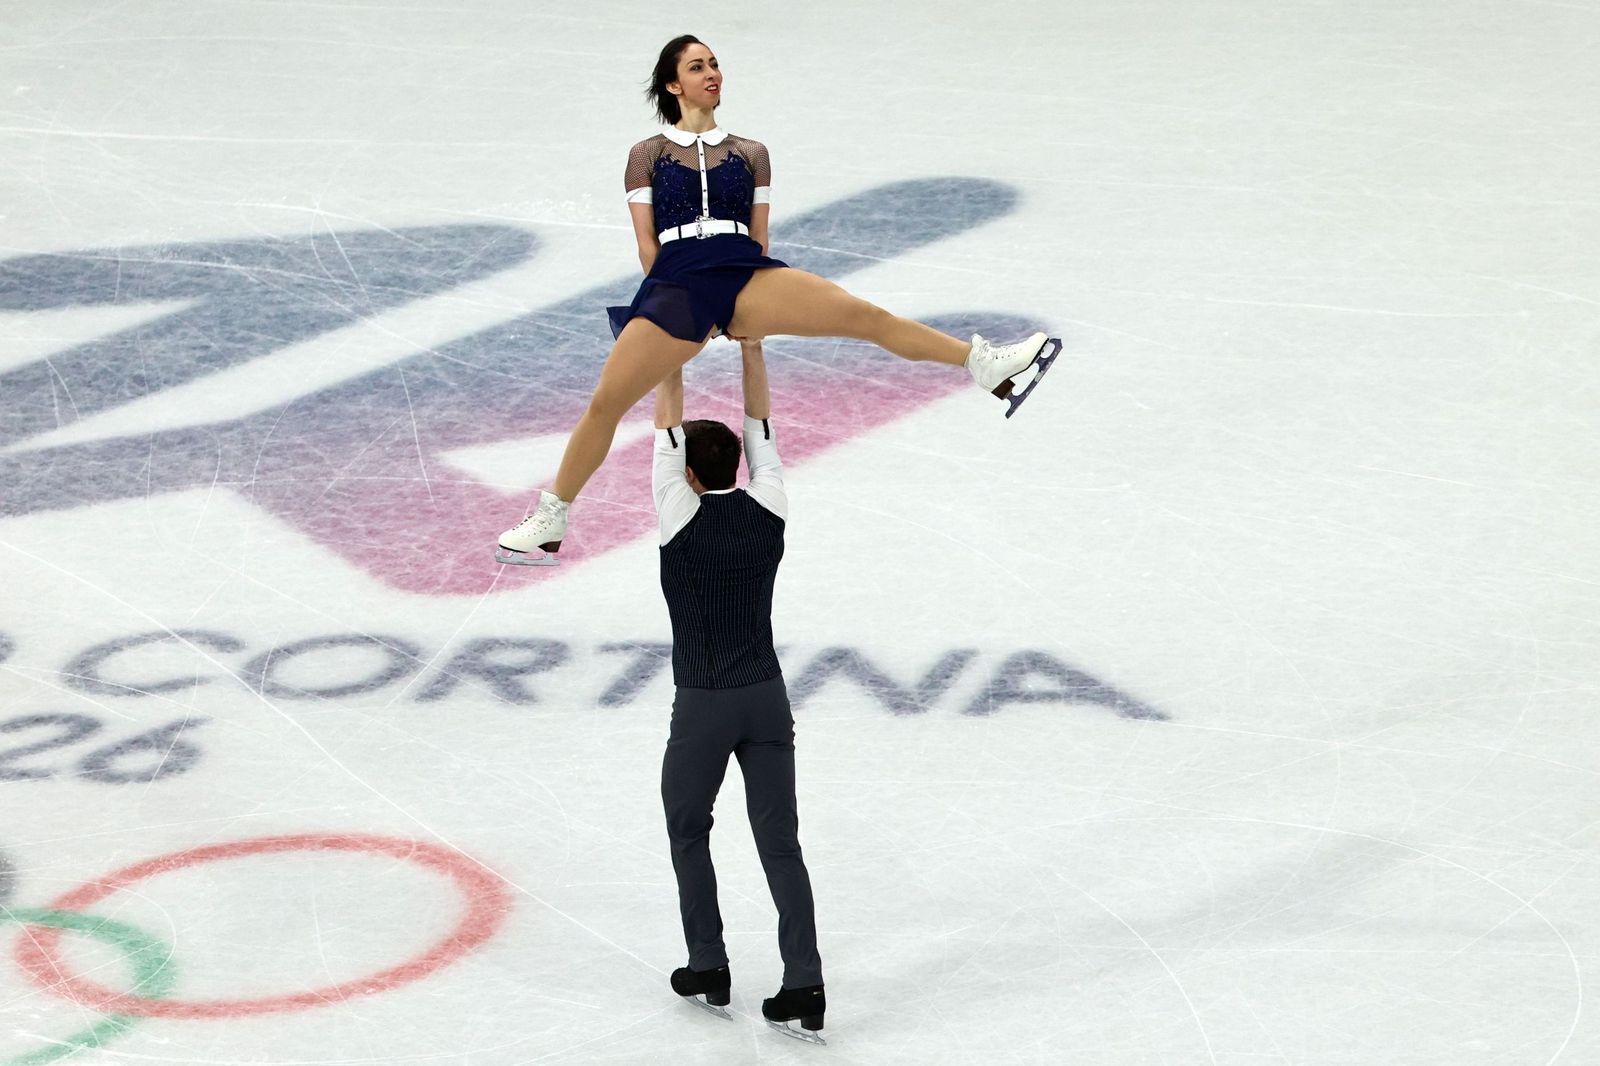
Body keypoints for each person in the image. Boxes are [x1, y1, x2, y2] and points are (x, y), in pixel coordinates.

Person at [494, 33, 1060, 565]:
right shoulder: (646, 154)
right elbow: (647, 246)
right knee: (606, 402)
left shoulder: (751, 152)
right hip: (678, 278)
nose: (712, 73)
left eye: (713, 64)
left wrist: (745, 307)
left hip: (744, 271)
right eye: (697, 67)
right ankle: (553, 515)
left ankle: (980, 364)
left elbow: (760, 236)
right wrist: (677, 305)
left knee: (864, 316)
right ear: (673, 86)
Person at [652, 345, 827, 1044]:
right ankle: (804, 982)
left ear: (689, 475)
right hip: (766, 697)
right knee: (780, 842)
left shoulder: (677, 515)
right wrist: (751, 345)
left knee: (688, 830)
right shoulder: (770, 508)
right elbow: (763, 428)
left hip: (703, 703)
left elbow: (666, 427)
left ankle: (708, 964)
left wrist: (668, 348)